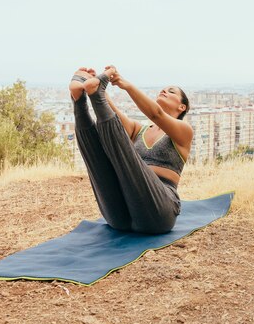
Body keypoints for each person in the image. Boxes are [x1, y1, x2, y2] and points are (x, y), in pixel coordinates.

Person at [69, 66, 192, 234]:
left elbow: (156, 115)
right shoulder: (139, 129)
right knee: (98, 160)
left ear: (182, 107)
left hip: (159, 212)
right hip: (121, 216)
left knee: (126, 153)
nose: (164, 91)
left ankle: (91, 96)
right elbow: (113, 115)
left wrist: (124, 84)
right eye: (163, 89)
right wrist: (97, 91)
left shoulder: (184, 131)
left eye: (171, 92)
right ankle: (79, 102)